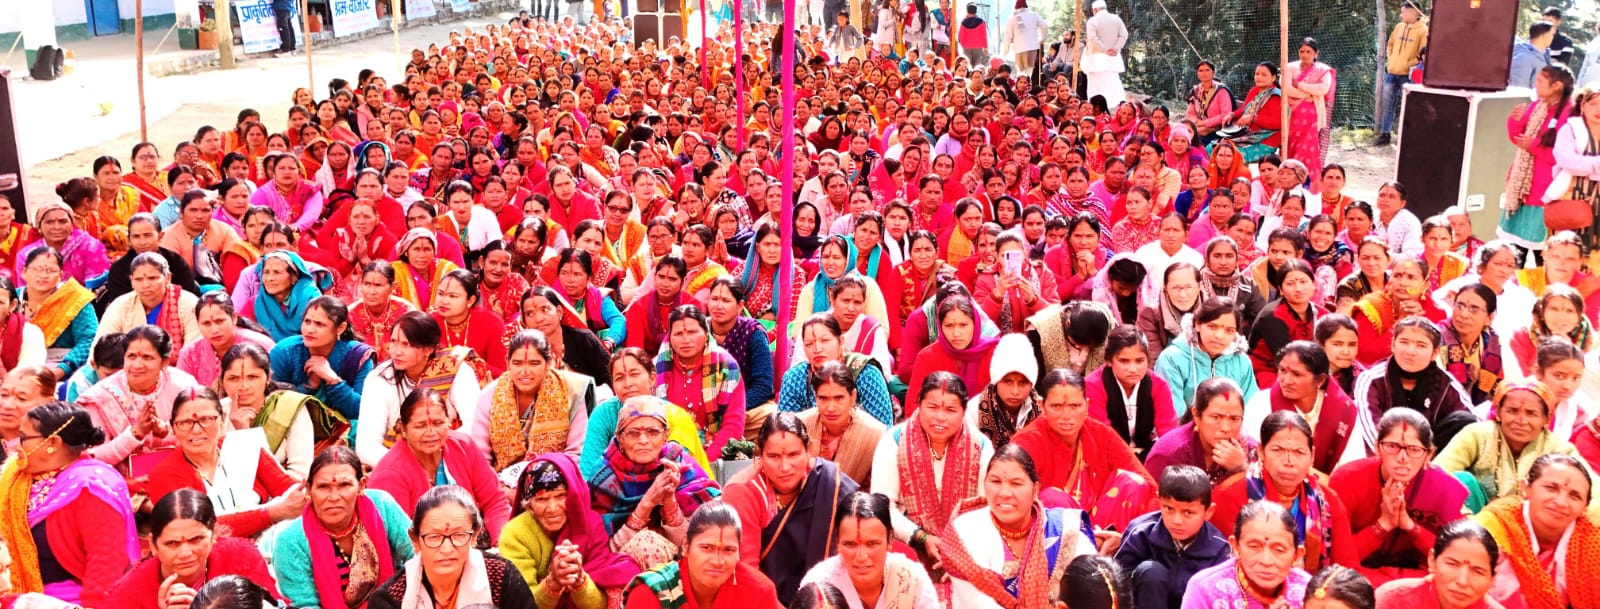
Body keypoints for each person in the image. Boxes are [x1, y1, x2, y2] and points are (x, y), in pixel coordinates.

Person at [0, 402, 138, 607]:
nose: (15, 446)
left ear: (53, 443)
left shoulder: (91, 486)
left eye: (23, 438)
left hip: (69, 602)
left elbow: (105, 565)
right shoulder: (16, 478)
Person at [722, 413, 860, 604]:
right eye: (774, 456)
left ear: (808, 451)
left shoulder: (829, 483)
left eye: (794, 455)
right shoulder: (744, 492)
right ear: (760, 456)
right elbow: (747, 574)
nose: (785, 467)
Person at [940, 443, 1097, 607]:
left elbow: (1093, 585)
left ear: (1035, 489)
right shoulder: (966, 529)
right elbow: (978, 603)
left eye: (1016, 484)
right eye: (995, 481)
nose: (1004, 493)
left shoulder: (1063, 530)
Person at [1329, 409, 1468, 586]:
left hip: (1421, 580)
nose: (1402, 458)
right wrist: (1383, 525)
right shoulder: (1347, 479)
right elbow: (1336, 559)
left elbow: (1455, 559)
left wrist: (1410, 527)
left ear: (1428, 455)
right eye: (1392, 446)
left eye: (1414, 449)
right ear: (1377, 447)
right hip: (1355, 579)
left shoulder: (1444, 489)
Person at [145, 388, 306, 539]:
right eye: (185, 423)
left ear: (222, 421)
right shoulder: (164, 475)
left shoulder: (244, 446)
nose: (196, 430)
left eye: (206, 419)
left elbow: (289, 489)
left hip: (270, 543)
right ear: (173, 428)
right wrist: (272, 513)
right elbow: (197, 530)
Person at [1212, 410, 1360, 572]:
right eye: (1278, 450)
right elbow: (1219, 567)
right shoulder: (1229, 495)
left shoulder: (1326, 500)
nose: (1289, 461)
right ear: (1261, 451)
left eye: (1299, 452)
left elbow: (1346, 567)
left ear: (1312, 456)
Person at [1010, 368, 1156, 530]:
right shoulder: (1026, 442)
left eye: (1075, 406)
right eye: (1056, 406)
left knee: (1134, 483)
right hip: (1051, 532)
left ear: (1087, 405)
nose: (1067, 415)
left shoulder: (1101, 434)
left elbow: (1151, 487)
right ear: (1041, 406)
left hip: (1101, 528)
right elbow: (1012, 496)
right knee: (1053, 498)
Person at [589, 396, 721, 568]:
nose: (643, 440)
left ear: (665, 435)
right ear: (620, 438)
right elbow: (602, 551)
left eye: (653, 432)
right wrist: (647, 503)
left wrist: (669, 502)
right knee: (648, 544)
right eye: (633, 433)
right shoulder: (604, 476)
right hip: (623, 569)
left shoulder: (680, 464)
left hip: (681, 563)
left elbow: (699, 544)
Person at [274, 449, 416, 609]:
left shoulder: (382, 507)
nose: (334, 497)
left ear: (361, 486)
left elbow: (419, 556)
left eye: (344, 485)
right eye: (323, 487)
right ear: (308, 490)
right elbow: (305, 605)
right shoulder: (291, 542)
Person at [498, 453, 642, 609]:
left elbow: (600, 605)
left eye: (560, 496)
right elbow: (521, 604)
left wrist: (580, 581)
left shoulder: (590, 525)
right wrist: (552, 583)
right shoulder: (515, 535)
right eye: (541, 499)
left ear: (574, 496)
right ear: (528, 505)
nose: (552, 508)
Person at [367, 389, 511, 543]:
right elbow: (403, 542)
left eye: (438, 423)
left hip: (474, 541)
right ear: (403, 429)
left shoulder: (463, 446)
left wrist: (501, 545)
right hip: (422, 551)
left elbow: (495, 501)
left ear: (448, 421)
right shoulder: (389, 475)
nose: (431, 432)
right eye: (420, 426)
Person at [367, 485, 537, 609]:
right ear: (415, 540)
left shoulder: (500, 576)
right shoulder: (392, 598)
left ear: (474, 535)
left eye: (459, 535)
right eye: (434, 537)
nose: (447, 549)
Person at [108, 489, 282, 609]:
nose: (185, 554)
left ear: (213, 535)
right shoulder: (128, 593)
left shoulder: (242, 557)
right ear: (153, 545)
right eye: (172, 543)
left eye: (196, 539)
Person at [1434, 380, 1589, 514]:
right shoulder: (1478, 434)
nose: (1521, 421)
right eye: (1512, 411)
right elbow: (1439, 473)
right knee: (1463, 481)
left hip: (1535, 525)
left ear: (1546, 419)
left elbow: (1593, 492)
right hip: (1473, 522)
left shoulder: (1559, 449)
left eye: (1531, 413)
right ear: (1498, 411)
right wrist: (1469, 522)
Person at [355, 312, 485, 468]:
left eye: (406, 344)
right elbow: (366, 445)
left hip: (449, 460)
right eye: (394, 342)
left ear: (428, 349)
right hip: (399, 467)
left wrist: (439, 461)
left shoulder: (455, 370)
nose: (396, 351)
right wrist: (406, 468)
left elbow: (474, 425)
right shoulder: (379, 378)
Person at [1472, 453, 1599, 609]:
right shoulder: (1493, 526)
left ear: (1584, 508)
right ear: (1525, 487)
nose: (1561, 502)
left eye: (1574, 496)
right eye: (1551, 488)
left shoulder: (1592, 546)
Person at [77, 325, 202, 470]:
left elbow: (202, 438)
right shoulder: (98, 399)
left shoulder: (183, 386)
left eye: (147, 357)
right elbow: (91, 458)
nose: (137, 365)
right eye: (131, 356)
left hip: (181, 472)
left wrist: (164, 432)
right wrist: (135, 434)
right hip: (120, 479)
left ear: (165, 362)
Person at [470, 329, 593, 471]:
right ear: (507, 363)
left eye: (534, 363)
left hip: (556, 477)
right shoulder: (490, 395)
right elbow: (480, 458)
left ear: (548, 363)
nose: (525, 372)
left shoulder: (571, 391)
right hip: (499, 480)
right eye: (517, 363)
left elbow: (576, 455)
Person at [579, 349, 712, 481]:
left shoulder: (676, 418)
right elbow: (588, 474)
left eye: (634, 374)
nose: (628, 384)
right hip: (619, 490)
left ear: (652, 378)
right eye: (619, 378)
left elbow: (676, 474)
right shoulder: (604, 414)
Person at [1115, 465, 1232, 609]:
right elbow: (1117, 581)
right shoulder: (1140, 532)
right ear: (1159, 502)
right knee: (1152, 572)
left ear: (1208, 511)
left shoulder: (1219, 548)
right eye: (1169, 508)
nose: (1177, 521)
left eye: (1188, 512)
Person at [623, 502, 783, 608]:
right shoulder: (651, 594)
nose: (717, 561)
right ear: (686, 546)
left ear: (739, 553)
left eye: (728, 550)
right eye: (707, 548)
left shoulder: (758, 592)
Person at [1184, 500, 1315, 609]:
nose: (1266, 561)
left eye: (1279, 550)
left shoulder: (1309, 591)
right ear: (1236, 547)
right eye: (1254, 547)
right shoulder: (1205, 589)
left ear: (1296, 555)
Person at [654, 305, 747, 458]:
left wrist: (704, 462)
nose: (685, 340)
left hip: (714, 453)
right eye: (678, 333)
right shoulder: (657, 370)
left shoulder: (726, 367)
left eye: (692, 332)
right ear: (670, 338)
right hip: (666, 454)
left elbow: (733, 425)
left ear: (706, 333)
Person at [1502, 66, 1573, 259]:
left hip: (1546, 192)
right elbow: (1518, 139)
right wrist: (1515, 121)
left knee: (1543, 253)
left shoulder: (1570, 113)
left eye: (1540, 81)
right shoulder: (1538, 106)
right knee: (1515, 253)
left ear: (1556, 86)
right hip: (1522, 191)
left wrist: (1533, 145)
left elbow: (1564, 156)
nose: (1535, 84)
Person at [778, 314, 894, 427]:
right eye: (809, 344)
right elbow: (785, 429)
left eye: (825, 340)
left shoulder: (866, 374)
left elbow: (883, 429)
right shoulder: (795, 378)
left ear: (841, 341)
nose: (817, 349)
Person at [1146, 376, 1259, 485]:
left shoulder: (1251, 451)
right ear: (1196, 415)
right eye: (1216, 417)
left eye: (1234, 418)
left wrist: (1241, 468)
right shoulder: (1168, 455)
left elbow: (1263, 496)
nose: (1225, 428)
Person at [1086, 326, 1179, 457]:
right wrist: (1130, 456)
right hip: (1106, 453)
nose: (1133, 369)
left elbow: (1168, 431)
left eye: (1139, 361)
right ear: (1109, 361)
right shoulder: (1094, 385)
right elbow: (1101, 433)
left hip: (1145, 450)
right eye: (1124, 361)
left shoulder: (1158, 385)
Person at [1155, 296, 1259, 413]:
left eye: (1229, 330)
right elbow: (1172, 412)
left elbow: (1251, 408)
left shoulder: (1241, 361)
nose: (1219, 336)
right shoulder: (1172, 359)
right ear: (1197, 324)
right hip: (1186, 424)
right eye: (1212, 326)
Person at [1372, 519, 1503, 609]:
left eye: (1478, 571)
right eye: (1452, 564)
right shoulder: (1393, 601)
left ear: (1492, 579)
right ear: (1432, 561)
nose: (1462, 581)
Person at [1248, 259, 1321, 387]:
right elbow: (1287, 359)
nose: (1298, 289)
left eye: (1303, 282)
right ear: (1281, 289)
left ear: (1314, 284)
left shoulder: (1321, 313)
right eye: (1290, 284)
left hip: (1308, 368)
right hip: (1269, 370)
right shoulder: (1272, 316)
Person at [177, 292, 276, 387]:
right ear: (198, 324)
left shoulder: (262, 346)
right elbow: (185, 393)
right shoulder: (189, 354)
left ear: (234, 318)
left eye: (219, 321)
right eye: (206, 323)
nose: (214, 330)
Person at [1376, 2, 1428, 146]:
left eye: (1403, 12)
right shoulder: (1399, 27)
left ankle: (1405, 136)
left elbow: (1423, 53)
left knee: (1408, 106)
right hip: (1392, 73)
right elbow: (1390, 44)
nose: (1401, 15)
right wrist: (1391, 60)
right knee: (1387, 104)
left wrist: (1408, 64)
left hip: (1408, 76)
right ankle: (1385, 134)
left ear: (1413, 12)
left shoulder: (1423, 30)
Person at [1284, 38, 1335, 179]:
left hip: (1311, 117)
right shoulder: (1289, 68)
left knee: (1307, 147)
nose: (1305, 55)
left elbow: (1323, 89)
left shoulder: (1323, 70)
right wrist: (1309, 93)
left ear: (1316, 53)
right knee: (1290, 145)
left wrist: (1300, 86)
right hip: (1290, 115)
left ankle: (1308, 180)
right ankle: (1289, 177)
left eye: (1309, 52)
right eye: (1302, 51)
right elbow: (1286, 88)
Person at [347, 261, 417, 361]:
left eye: (378, 285)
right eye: (367, 284)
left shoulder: (406, 311)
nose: (371, 292)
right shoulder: (350, 314)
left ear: (393, 287)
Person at [1082, 0, 1127, 104]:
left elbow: (1092, 38)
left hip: (1096, 58)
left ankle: (1097, 104)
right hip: (1113, 57)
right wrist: (1116, 48)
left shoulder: (1093, 21)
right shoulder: (1116, 19)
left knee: (1096, 84)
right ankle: (1117, 103)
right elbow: (1124, 35)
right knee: (1113, 81)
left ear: (1095, 10)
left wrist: (1105, 49)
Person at [1003, 0, 1047, 81]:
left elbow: (1007, 35)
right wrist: (1041, 39)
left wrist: (1005, 50)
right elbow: (1044, 26)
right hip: (1032, 48)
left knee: (1021, 74)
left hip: (1019, 49)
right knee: (1030, 73)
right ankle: (1029, 86)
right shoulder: (1034, 15)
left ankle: (1024, 87)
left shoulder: (1013, 17)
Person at [1508, 23, 1554, 90]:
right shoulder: (1523, 58)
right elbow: (1518, 90)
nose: (1552, 37)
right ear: (1545, 35)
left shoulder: (1544, 56)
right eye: (1552, 34)